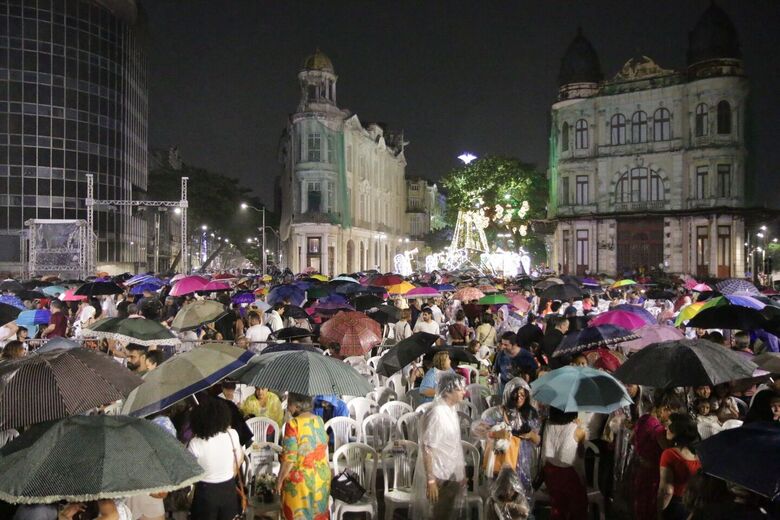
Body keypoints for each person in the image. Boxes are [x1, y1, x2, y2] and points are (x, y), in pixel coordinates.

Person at [475, 378, 540, 510]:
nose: (519, 397)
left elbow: (538, 440)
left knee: (521, 495)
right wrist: (496, 433)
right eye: (516, 394)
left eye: (523, 394)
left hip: (523, 462)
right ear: (508, 395)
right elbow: (478, 430)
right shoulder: (496, 413)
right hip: (502, 462)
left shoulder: (531, 414)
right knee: (500, 495)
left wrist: (531, 435)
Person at [412, 372, 467, 519]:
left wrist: (460, 472)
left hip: (450, 473)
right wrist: (431, 480)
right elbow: (428, 448)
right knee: (439, 514)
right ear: (448, 391)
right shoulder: (437, 413)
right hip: (439, 475)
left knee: (448, 514)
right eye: (460, 389)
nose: (464, 392)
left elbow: (454, 444)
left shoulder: (450, 410)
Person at [275, 393, 331, 520]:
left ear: (297, 405)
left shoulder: (293, 424)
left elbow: (289, 460)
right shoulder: (319, 420)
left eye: (289, 404)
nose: (288, 408)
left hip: (301, 482)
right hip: (322, 479)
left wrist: (279, 481)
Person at [187, 397, 242, 520]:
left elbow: (189, 473)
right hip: (228, 490)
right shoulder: (232, 434)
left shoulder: (195, 443)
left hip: (205, 494)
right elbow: (238, 459)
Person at [633, 394, 681, 520]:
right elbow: (668, 450)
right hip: (653, 475)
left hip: (640, 470)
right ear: (665, 408)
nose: (672, 417)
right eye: (672, 413)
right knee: (652, 509)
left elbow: (633, 439)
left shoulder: (643, 419)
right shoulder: (657, 428)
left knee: (641, 507)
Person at [541, 406, 587, 520]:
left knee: (557, 507)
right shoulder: (577, 429)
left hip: (550, 472)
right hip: (568, 474)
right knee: (577, 507)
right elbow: (581, 454)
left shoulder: (547, 424)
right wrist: (581, 427)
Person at [657, 413, 701, 520]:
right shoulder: (698, 454)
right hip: (692, 504)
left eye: (669, 426)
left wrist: (658, 511)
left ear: (678, 430)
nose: (666, 428)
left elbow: (667, 490)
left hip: (675, 506)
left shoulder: (670, 454)